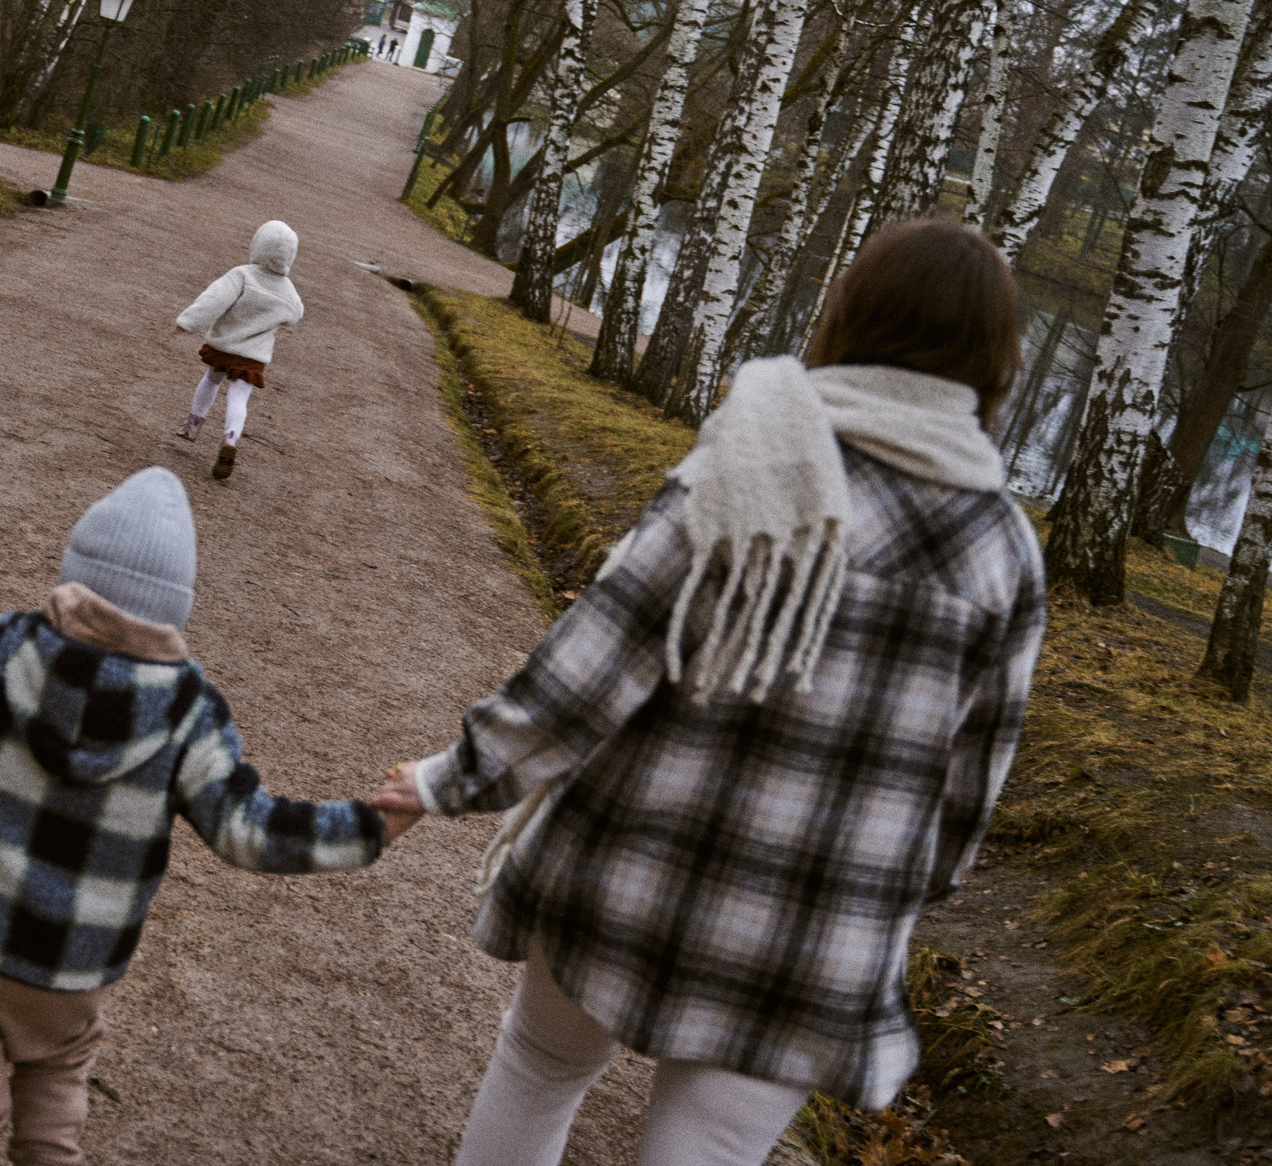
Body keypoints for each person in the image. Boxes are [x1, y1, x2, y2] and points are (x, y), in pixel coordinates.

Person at [374, 219, 1046, 1166]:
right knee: (711, 1152)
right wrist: (897, 892)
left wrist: (453, 776)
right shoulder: (1003, 548)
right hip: (817, 928)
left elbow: (595, 659)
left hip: (632, 865)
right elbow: (972, 779)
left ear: (849, 315)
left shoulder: (755, 459)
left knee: (539, 1069)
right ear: (995, 359)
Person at [0, 467, 411, 1166]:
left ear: (74, 572)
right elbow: (250, 830)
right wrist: (370, 827)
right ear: (175, 608)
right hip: (76, 965)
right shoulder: (189, 711)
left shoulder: (12, 651)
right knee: (54, 1108)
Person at [173, 220, 303, 481]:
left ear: (258, 246)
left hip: (226, 346)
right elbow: (295, 315)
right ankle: (230, 440)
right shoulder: (288, 291)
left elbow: (214, 300)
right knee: (239, 398)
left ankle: (193, 426)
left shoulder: (242, 275)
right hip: (254, 357)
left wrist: (187, 323)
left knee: (211, 379)